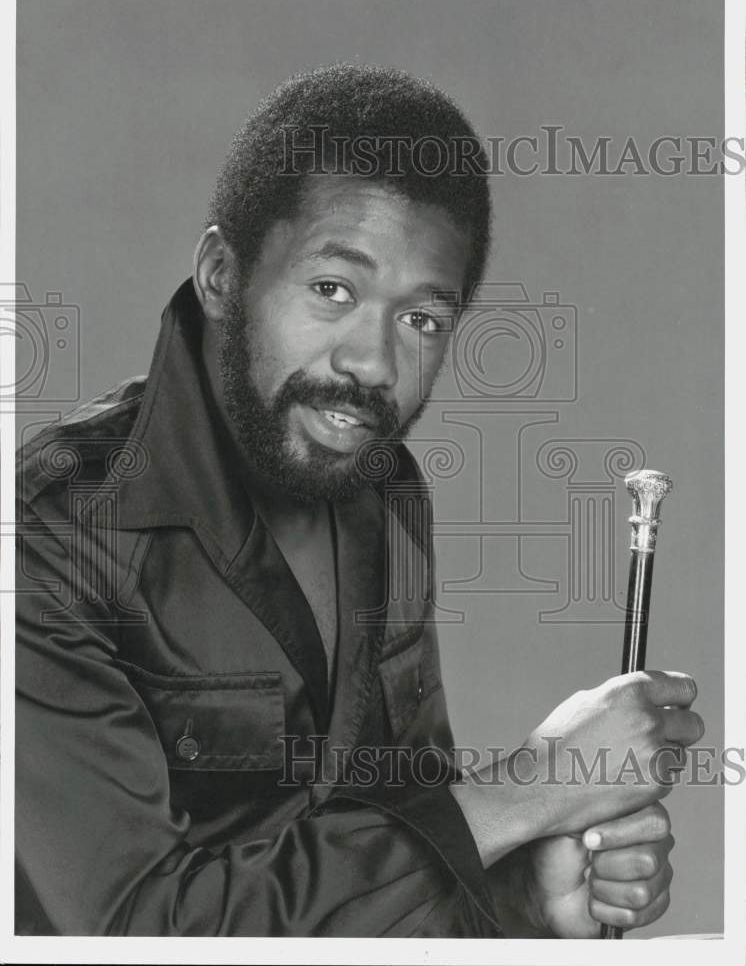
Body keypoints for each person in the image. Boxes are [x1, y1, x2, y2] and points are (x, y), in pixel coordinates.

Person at [15, 64, 704, 937]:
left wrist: (523, 901)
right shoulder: (49, 535)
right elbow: (137, 928)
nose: (372, 363)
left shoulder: (385, 490)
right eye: (332, 290)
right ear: (222, 275)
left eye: (422, 319)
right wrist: (533, 786)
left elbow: (399, 859)